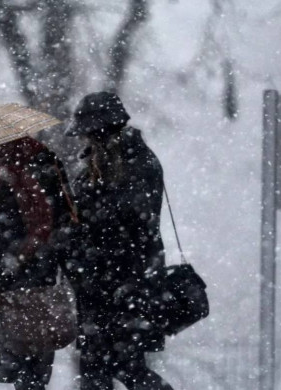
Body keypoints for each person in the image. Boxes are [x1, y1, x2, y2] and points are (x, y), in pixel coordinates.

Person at [64, 92, 173, 390]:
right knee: (99, 372)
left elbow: (131, 223)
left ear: (100, 131)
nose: (83, 140)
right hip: (100, 288)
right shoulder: (95, 168)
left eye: (87, 133)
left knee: (126, 369)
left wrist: (85, 217)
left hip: (125, 285)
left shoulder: (138, 164)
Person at [0, 136, 77, 390]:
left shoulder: (26, 177)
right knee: (2, 372)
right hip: (15, 291)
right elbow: (4, 232)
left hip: (27, 292)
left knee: (25, 373)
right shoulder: (7, 183)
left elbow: (40, 230)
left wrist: (15, 259)